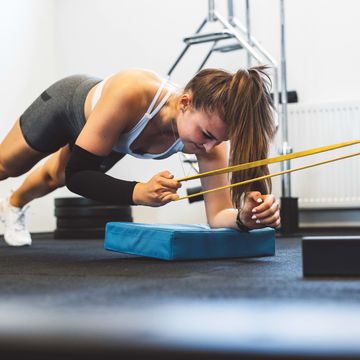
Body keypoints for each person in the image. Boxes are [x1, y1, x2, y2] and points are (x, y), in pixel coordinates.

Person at [0, 66, 280, 246]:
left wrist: (244, 217)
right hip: (66, 106)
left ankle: (13, 204)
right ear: (185, 103)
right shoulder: (132, 93)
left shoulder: (210, 140)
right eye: (207, 135)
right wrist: (140, 192)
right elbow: (80, 176)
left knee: (54, 177)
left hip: (112, 137)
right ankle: (12, 197)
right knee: (6, 165)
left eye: (220, 140)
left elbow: (217, 215)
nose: (211, 148)